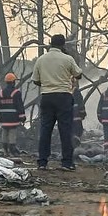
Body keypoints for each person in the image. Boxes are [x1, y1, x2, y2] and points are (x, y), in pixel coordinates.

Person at [32, 34, 82, 170]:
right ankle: (67, 162)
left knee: (45, 129)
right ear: (63, 45)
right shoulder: (67, 58)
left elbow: (35, 80)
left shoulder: (41, 59)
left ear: (50, 44)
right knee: (65, 130)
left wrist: (47, 82)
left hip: (46, 97)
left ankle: (42, 162)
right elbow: (78, 74)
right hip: (63, 96)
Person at [0, 72, 26, 155]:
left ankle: (5, 150)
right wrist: (22, 117)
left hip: (4, 118)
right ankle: (13, 150)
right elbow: (19, 105)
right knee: (12, 134)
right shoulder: (16, 93)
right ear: (13, 82)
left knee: (4, 133)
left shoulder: (1, 93)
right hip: (13, 118)